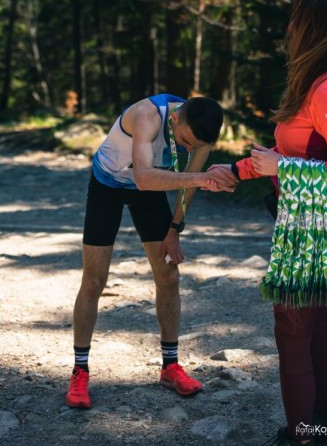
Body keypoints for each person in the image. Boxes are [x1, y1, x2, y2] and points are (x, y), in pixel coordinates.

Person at [209, 0, 327, 445]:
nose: (289, 27)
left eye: (296, 19)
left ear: (314, 27)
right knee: (311, 326)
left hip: (318, 223)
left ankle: (303, 435)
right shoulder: (320, 77)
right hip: (308, 217)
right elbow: (293, 150)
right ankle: (322, 426)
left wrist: (284, 168)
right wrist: (235, 170)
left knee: (292, 331)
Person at [66, 94, 237, 408]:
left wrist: (175, 230)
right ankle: (80, 371)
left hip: (149, 191)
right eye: (184, 142)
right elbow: (144, 177)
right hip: (110, 186)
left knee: (169, 275)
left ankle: (170, 366)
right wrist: (202, 177)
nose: (188, 149)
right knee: (94, 281)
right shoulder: (148, 115)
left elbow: (189, 187)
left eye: (194, 146)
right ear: (175, 120)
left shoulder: (201, 126)